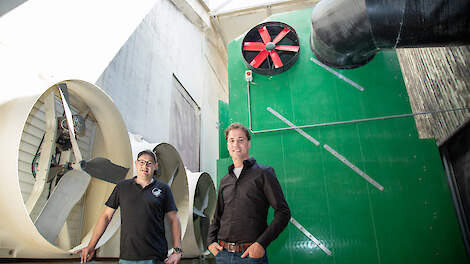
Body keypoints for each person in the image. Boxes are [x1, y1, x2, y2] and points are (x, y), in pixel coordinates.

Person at [78, 150, 183, 264]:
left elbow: (174, 219)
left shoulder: (163, 189)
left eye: (149, 163)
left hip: (155, 256)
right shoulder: (122, 187)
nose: (145, 166)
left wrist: (177, 251)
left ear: (155, 166)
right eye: (142, 162)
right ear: (136, 164)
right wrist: (91, 245)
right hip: (128, 257)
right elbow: (106, 217)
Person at [207, 123, 291, 263]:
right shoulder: (225, 180)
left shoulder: (264, 173)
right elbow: (217, 216)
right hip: (223, 255)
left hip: (251, 256)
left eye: (241, 140)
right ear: (227, 145)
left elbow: (283, 212)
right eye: (231, 140)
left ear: (249, 143)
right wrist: (210, 241)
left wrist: (260, 244)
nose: (236, 144)